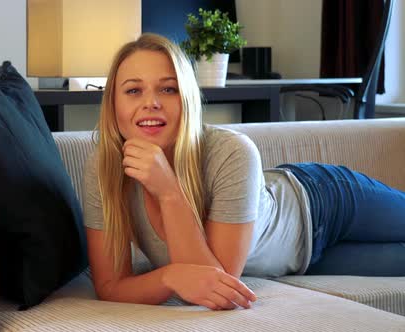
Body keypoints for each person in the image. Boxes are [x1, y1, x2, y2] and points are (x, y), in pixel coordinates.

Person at [82, 33, 405, 311]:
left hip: (324, 200)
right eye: (133, 90)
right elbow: (112, 287)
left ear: (188, 99)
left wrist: (167, 190)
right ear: (113, 104)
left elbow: (212, 277)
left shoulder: (230, 151)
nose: (151, 102)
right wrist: (168, 276)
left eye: (168, 89)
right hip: (300, 260)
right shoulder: (105, 169)